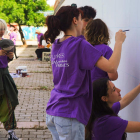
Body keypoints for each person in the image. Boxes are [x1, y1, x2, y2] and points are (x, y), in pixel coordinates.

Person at [44, 4, 126, 140]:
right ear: (75, 21)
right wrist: (118, 42)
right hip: (69, 114)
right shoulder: (79, 45)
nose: (85, 24)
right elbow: (111, 68)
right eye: (82, 20)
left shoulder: (57, 44)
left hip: (54, 110)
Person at [0, 19, 20, 140]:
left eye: (3, 29)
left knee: (9, 103)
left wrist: (10, 57)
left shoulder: (5, 42)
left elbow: (6, 61)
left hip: (5, 76)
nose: (1, 31)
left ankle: (11, 132)